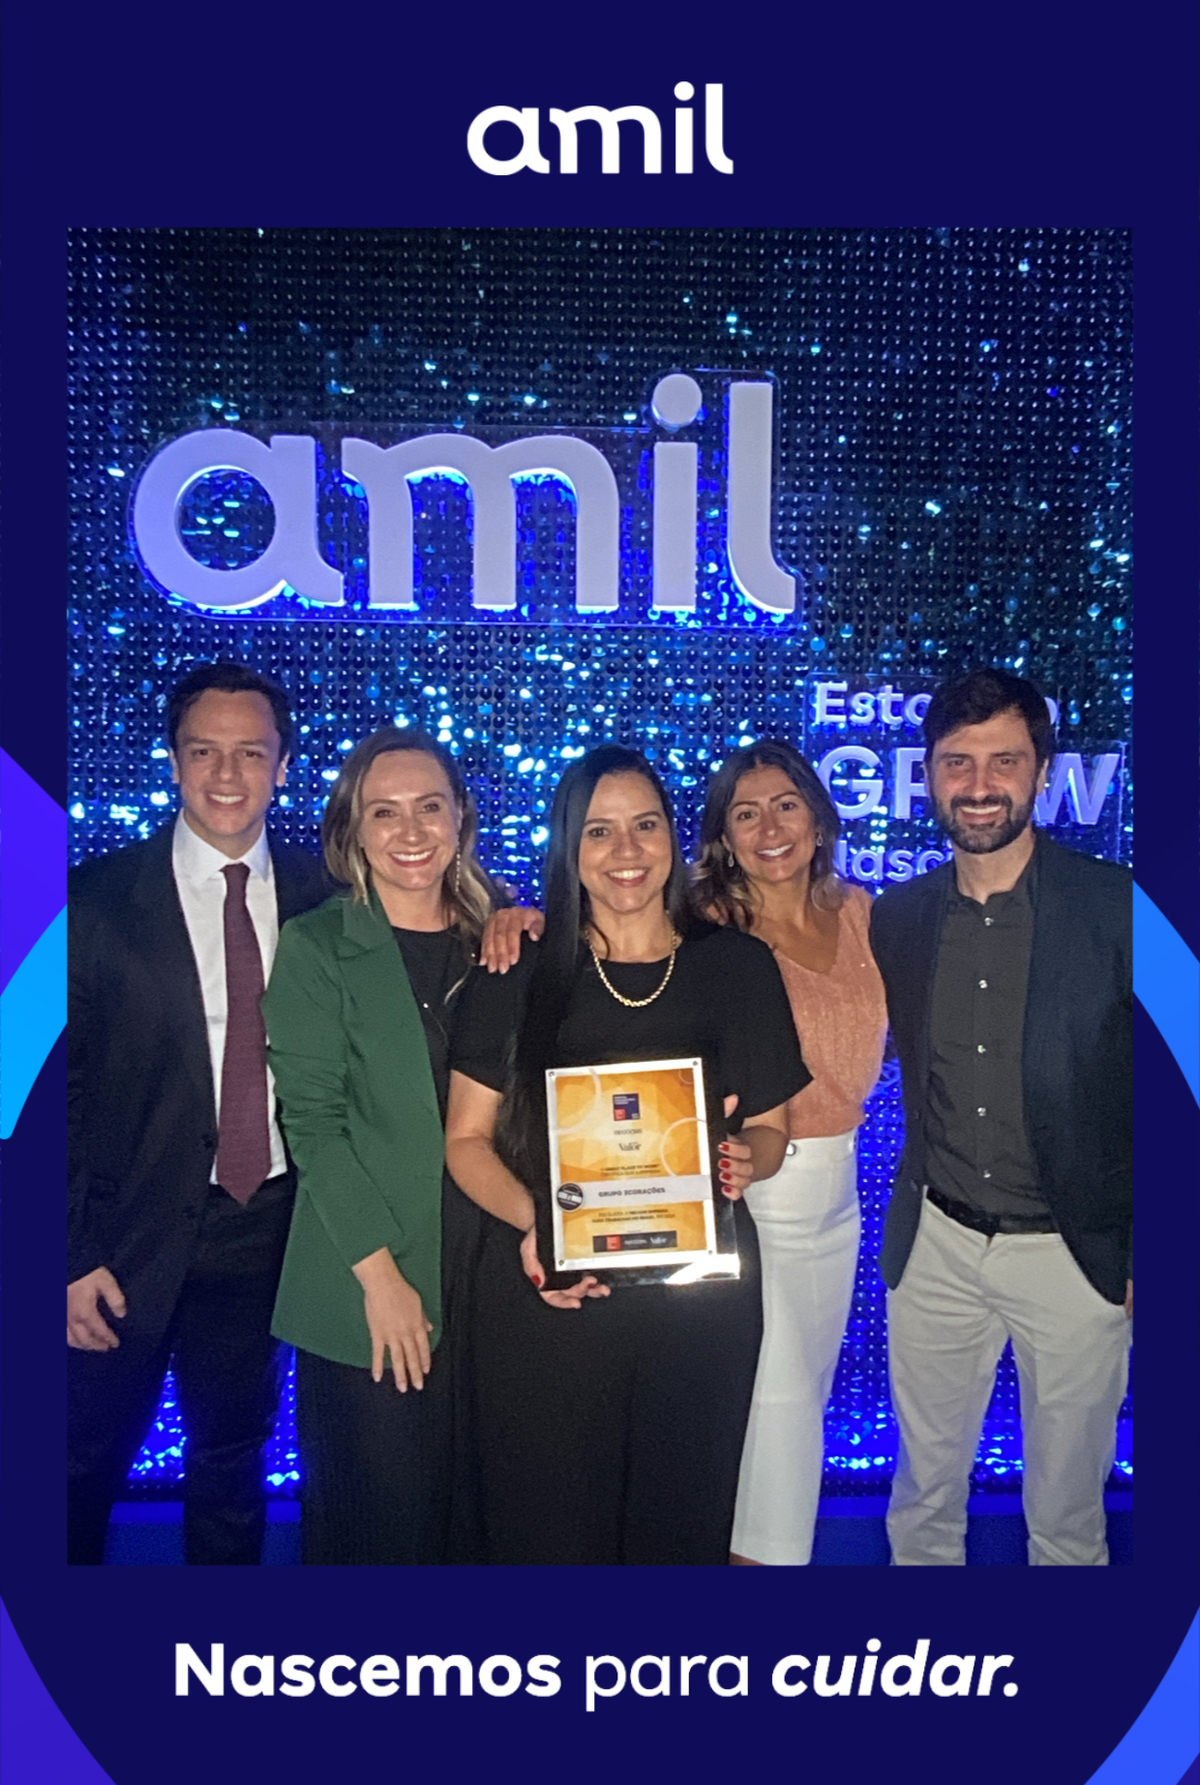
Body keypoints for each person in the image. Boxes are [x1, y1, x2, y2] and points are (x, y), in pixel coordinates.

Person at [445, 744, 808, 1565]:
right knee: (551, 1536)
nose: (627, 850)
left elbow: (772, 1127)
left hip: (700, 1305)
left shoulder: (736, 965)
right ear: (568, 845)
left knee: (680, 1533)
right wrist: (542, 1228)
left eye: (646, 825)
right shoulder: (519, 967)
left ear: (674, 836)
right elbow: (464, 1142)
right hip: (555, 1294)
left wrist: (746, 1157)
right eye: (599, 830)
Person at [870, 667, 1132, 1566]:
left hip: (1076, 1255)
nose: (979, 784)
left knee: (1068, 1520)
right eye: (958, 761)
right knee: (922, 1503)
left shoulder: (1121, 908)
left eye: (1004, 760)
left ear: (1043, 772)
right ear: (930, 774)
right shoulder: (897, 917)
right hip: (936, 1245)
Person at [67, 660, 328, 1565]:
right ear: (174, 762)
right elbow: (28, 1088)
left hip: (264, 1225)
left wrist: (513, 921)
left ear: (283, 766)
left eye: (250, 752)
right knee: (74, 1465)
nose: (226, 773)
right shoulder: (84, 899)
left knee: (232, 1463)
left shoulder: (327, 899)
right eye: (203, 751)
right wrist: (64, 1255)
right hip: (117, 1240)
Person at [262, 727, 500, 1565]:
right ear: (352, 829)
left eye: (429, 806)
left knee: (476, 1529)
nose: (410, 830)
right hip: (368, 1277)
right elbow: (313, 1126)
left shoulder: (503, 939)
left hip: (488, 1277)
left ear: (460, 817)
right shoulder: (317, 944)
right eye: (384, 811)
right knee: (379, 1531)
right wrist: (381, 1277)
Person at [692, 742, 887, 1565]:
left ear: (818, 818)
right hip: (749, 1188)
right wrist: (521, 919)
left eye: (785, 805)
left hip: (838, 1192)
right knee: (773, 1410)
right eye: (746, 813)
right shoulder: (701, 926)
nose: (770, 827)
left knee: (801, 1399)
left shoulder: (860, 912)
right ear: (724, 837)